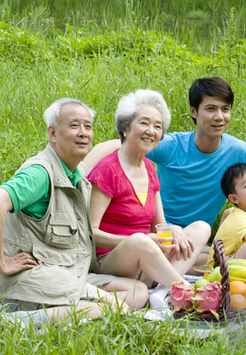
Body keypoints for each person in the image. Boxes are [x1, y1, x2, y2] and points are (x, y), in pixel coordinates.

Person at [0, 98, 149, 325]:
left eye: (88, 127)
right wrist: (0, 264)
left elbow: (105, 148)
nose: (83, 133)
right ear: (53, 133)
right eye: (74, 125)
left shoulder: (76, 169)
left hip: (70, 272)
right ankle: (19, 320)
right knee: (110, 306)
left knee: (138, 291)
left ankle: (63, 311)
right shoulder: (39, 174)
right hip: (35, 275)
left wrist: (141, 135)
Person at [85, 78, 246, 234]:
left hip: (196, 234)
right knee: (214, 260)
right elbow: (110, 146)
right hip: (160, 230)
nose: (219, 117)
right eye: (211, 109)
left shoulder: (237, 150)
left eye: (225, 109)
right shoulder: (172, 146)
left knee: (212, 251)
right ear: (193, 111)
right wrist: (78, 177)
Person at [87, 89, 211, 289]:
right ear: (125, 128)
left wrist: (175, 230)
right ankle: (182, 290)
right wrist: (139, 240)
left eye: (158, 126)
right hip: (113, 260)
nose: (151, 131)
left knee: (200, 228)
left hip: (149, 256)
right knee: (138, 241)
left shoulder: (149, 168)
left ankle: (164, 287)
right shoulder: (107, 170)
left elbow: (159, 226)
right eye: (144, 123)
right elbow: (90, 232)